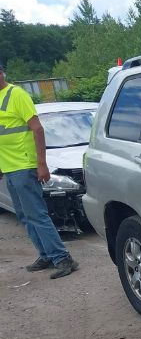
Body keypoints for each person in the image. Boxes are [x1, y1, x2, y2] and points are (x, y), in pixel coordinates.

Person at [0, 61, 79, 278]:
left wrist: (41, 163)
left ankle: (62, 258)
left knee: (37, 215)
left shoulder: (17, 95)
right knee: (25, 216)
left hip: (24, 167)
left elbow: (37, 128)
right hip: (10, 168)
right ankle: (46, 254)